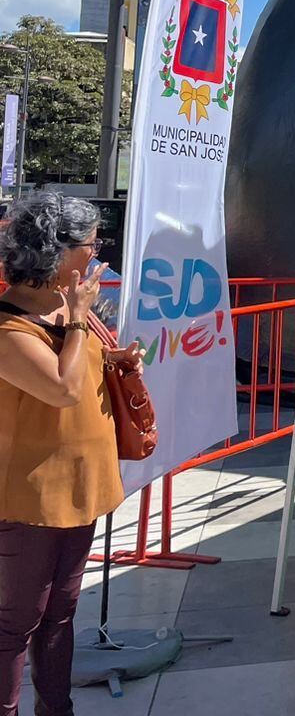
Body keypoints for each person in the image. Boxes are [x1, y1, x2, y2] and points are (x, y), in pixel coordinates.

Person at [0, 194, 129, 716]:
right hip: (31, 497)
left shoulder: (64, 307)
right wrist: (78, 320)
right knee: (15, 622)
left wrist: (113, 355)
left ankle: (57, 708)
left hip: (81, 487)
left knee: (60, 613)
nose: (96, 254)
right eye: (90, 244)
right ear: (55, 251)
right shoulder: (11, 326)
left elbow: (81, 369)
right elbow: (61, 388)